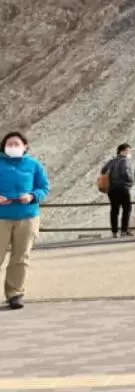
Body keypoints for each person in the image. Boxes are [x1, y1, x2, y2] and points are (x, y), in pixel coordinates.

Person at [0, 132, 49, 310]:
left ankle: (15, 293)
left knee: (21, 257)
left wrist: (32, 196)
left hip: (27, 216)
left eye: (16, 144)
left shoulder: (33, 165)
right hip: (1, 217)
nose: (13, 147)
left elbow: (43, 187)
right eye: (9, 144)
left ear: (25, 146)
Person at [102, 143, 135, 238]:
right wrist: (131, 181)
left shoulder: (112, 161)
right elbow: (125, 172)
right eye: (128, 151)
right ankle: (124, 230)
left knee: (114, 210)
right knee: (127, 209)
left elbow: (103, 170)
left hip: (112, 189)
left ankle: (114, 232)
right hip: (123, 188)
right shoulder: (125, 161)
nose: (129, 153)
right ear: (122, 151)